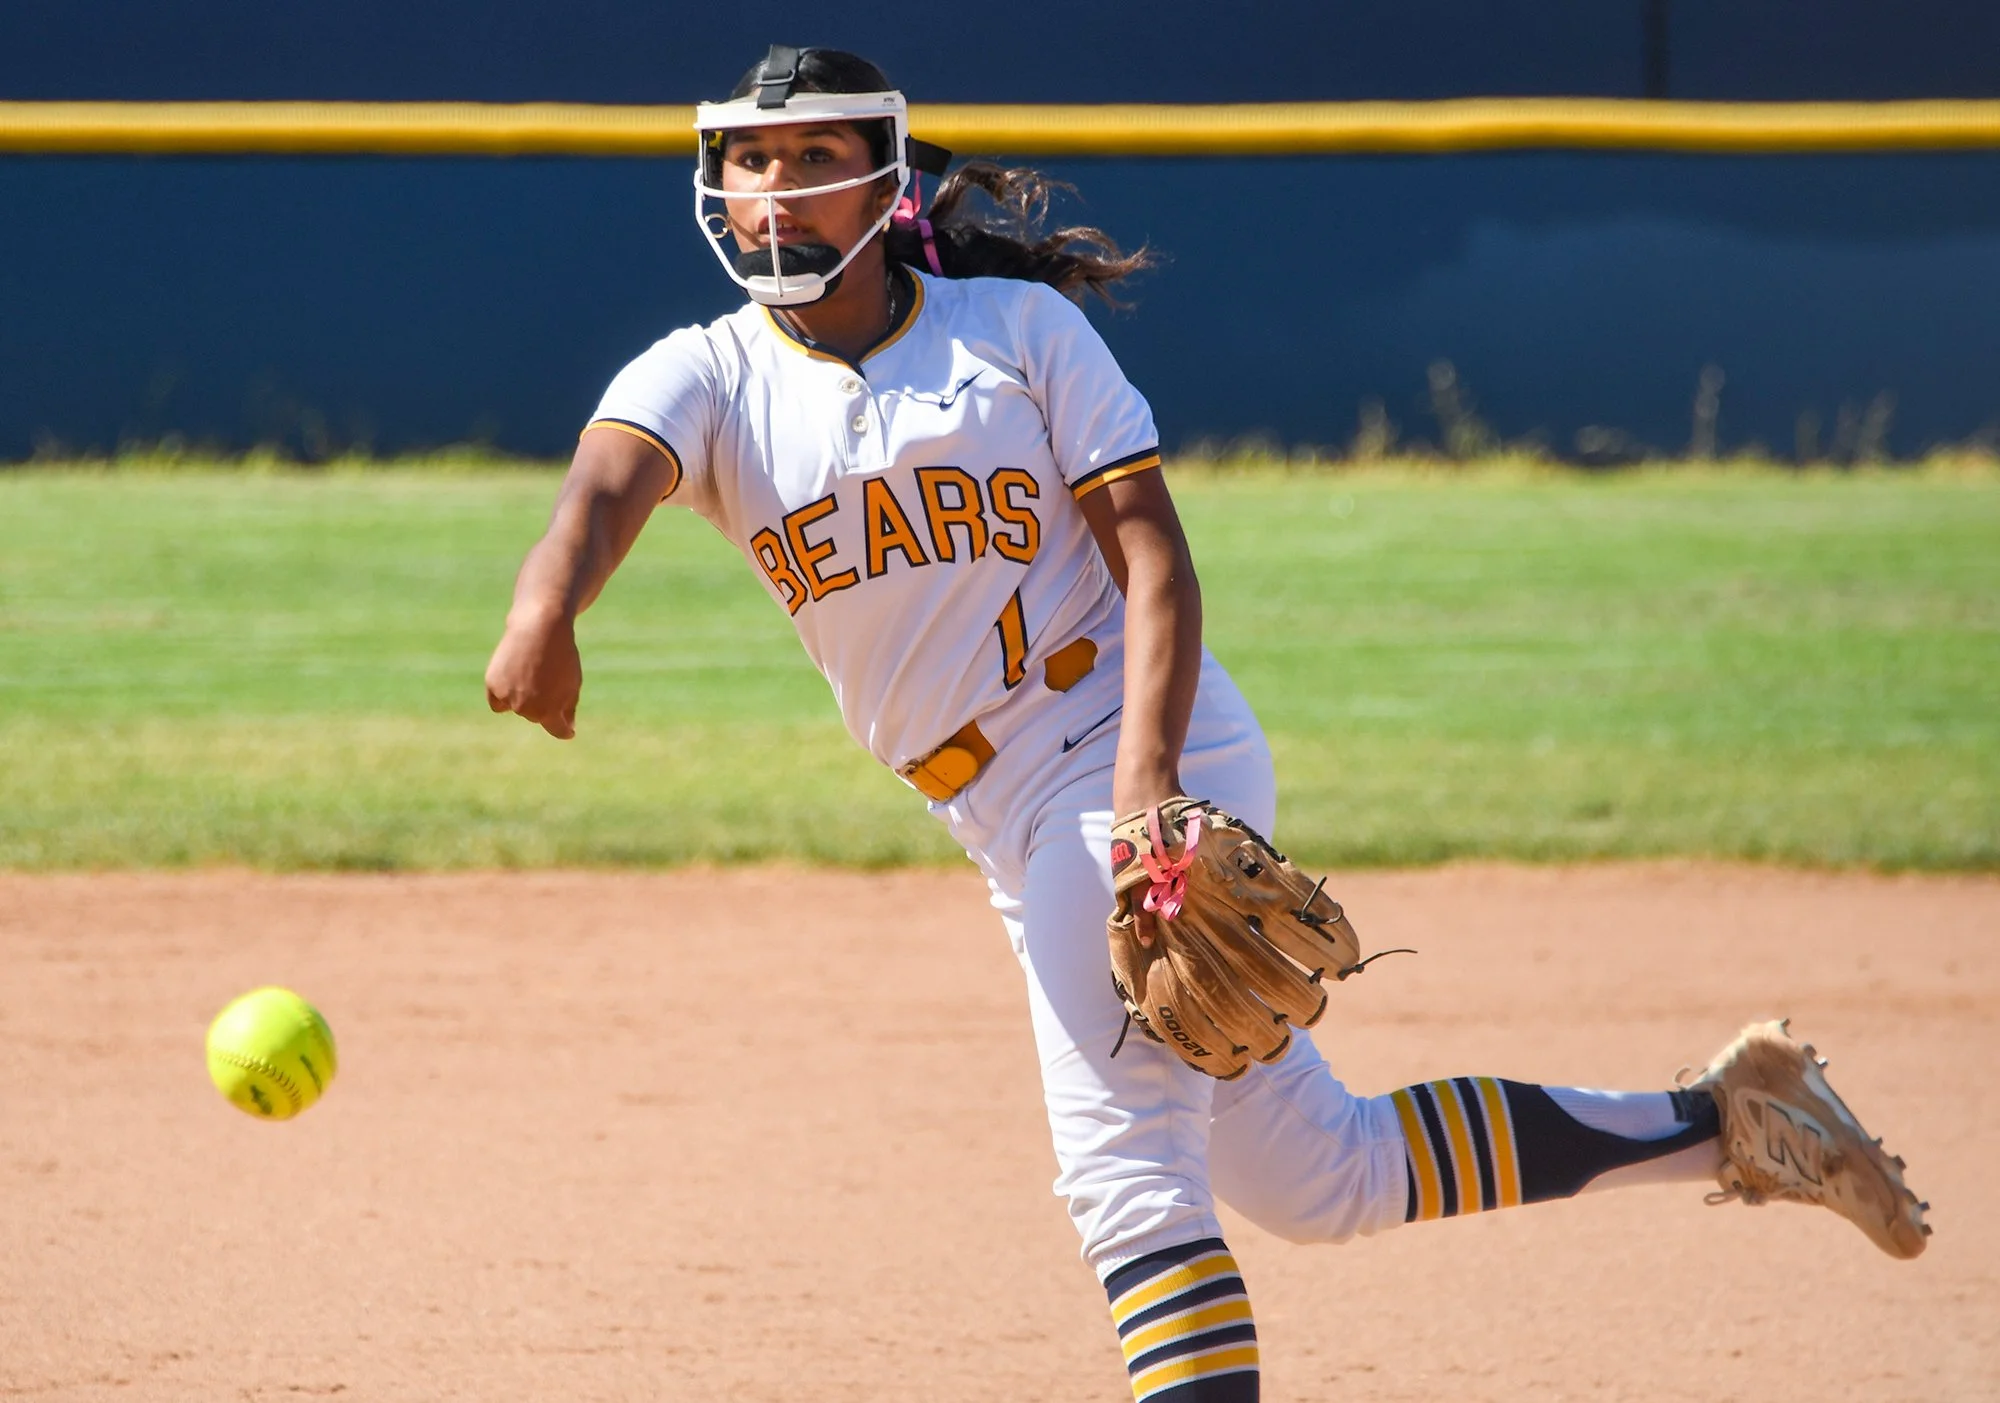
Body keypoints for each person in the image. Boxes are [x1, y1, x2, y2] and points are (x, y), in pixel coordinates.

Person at [484, 45, 1930, 1402]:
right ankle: (1732, 1118)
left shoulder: (1015, 333)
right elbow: (603, 488)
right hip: (1003, 813)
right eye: (754, 160)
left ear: (885, 179)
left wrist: (1150, 804)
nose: (780, 188)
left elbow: (1157, 564)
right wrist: (546, 610)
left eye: (816, 156)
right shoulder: (712, 371)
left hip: (1132, 744)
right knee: (1318, 1172)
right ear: (716, 183)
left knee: (1124, 1168)